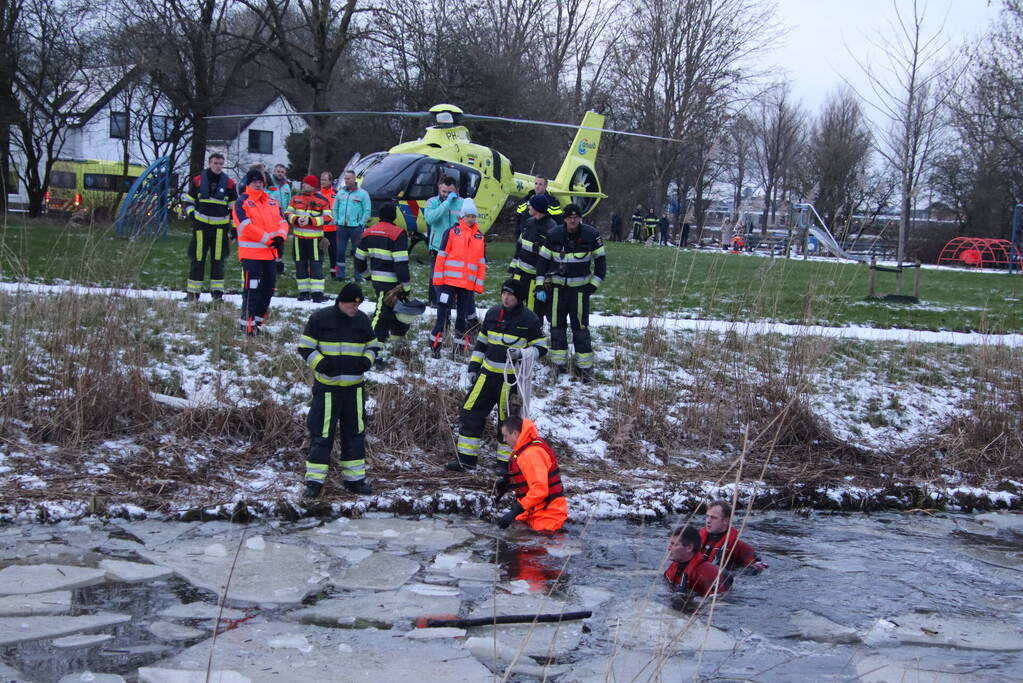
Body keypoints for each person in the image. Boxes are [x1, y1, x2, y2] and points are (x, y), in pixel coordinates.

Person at [448, 278, 546, 472]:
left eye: (510, 294)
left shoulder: (530, 319)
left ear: (519, 298)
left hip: (510, 380)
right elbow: (481, 344)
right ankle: (466, 459)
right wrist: (473, 368)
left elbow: (541, 347)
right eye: (503, 293)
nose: (506, 297)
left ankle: (505, 464)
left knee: (508, 420)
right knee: (470, 411)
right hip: (486, 376)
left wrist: (523, 354)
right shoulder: (492, 314)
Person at [297, 282, 382, 499]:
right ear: (341, 302)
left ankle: (354, 480)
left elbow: (373, 346)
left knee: (355, 433)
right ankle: (314, 482)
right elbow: (305, 347)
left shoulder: (362, 320)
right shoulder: (320, 318)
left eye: (358, 305)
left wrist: (366, 361)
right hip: (327, 389)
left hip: (354, 390)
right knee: (322, 434)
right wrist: (321, 364)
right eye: (352, 305)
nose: (355, 309)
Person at [536, 203, 607, 382]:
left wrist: (593, 286)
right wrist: (539, 286)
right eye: (569, 217)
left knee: (580, 329)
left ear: (580, 218)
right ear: (565, 219)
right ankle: (558, 364)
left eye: (576, 217)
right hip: (558, 290)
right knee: (556, 326)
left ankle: (584, 368)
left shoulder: (591, 235)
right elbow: (542, 262)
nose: (572, 220)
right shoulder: (553, 235)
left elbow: (601, 263)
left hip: (580, 292)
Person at [232, 168, 289, 334]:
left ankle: (257, 323)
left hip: (270, 254)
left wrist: (280, 237)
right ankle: (247, 325)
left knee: (268, 289)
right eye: (255, 181)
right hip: (251, 256)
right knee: (252, 290)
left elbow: (282, 221)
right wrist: (268, 239)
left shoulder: (271, 201)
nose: (258, 184)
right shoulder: (242, 201)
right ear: (248, 182)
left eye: (261, 181)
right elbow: (244, 226)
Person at [354, 203, 412, 366]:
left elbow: (359, 259)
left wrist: (367, 276)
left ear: (379, 216)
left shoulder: (368, 232)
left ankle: (397, 346)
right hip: (393, 283)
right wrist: (406, 287)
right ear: (394, 216)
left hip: (378, 281)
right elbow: (401, 264)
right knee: (381, 317)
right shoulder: (398, 233)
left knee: (392, 314)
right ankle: (373, 353)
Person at [430, 199, 485, 358]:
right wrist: (438, 280)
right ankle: (435, 345)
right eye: (467, 216)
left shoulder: (479, 237)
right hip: (448, 283)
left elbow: (481, 262)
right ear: (461, 216)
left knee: (462, 317)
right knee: (442, 314)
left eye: (473, 216)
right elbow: (441, 256)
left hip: (466, 286)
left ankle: (459, 349)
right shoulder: (451, 232)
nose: (470, 219)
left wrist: (478, 285)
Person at [494, 415, 567, 532]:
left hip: (548, 515)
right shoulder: (524, 450)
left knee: (533, 547)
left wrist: (516, 510)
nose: (504, 440)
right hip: (533, 511)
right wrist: (508, 482)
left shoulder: (532, 454)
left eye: (505, 435)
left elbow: (540, 490)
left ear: (516, 434)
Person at [181, 152, 237, 302]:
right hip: (201, 228)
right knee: (197, 259)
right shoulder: (198, 181)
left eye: (220, 163)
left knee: (218, 261)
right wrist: (193, 216)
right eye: (215, 163)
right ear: (209, 163)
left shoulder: (230, 184)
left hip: (220, 229)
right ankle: (192, 294)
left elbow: (233, 209)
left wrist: (234, 229)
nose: (218, 166)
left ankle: (217, 295)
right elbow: (189, 202)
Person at [285, 174, 333, 302]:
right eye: (303, 183)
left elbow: (328, 218)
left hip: (315, 240)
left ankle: (317, 294)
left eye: (306, 183)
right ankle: (303, 292)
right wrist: (295, 219)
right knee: (300, 265)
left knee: (316, 265)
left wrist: (310, 221)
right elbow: (287, 213)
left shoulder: (322, 200)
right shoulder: (295, 198)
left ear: (313, 185)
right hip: (298, 239)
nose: (303, 185)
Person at [509, 194, 557, 315]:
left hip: (535, 278)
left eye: (530, 206)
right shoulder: (529, 222)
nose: (528, 207)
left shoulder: (551, 228)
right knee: (514, 307)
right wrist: (513, 267)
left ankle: (533, 334)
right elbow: (519, 245)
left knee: (533, 313)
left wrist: (547, 278)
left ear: (537, 208)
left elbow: (552, 257)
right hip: (519, 274)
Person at [423, 175, 462, 306]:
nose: (445, 194)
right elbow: (430, 219)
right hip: (437, 246)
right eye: (443, 191)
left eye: (449, 192)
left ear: (457, 190)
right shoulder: (432, 202)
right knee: (436, 276)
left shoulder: (462, 203)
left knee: (454, 277)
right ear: (439, 188)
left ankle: (452, 301)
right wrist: (447, 203)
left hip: (456, 248)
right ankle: (434, 302)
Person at [664, 526, 733, 598]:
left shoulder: (707, 573)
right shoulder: (674, 566)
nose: (668, 548)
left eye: (674, 544)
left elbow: (717, 604)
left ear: (689, 548)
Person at [700, 500, 766, 573]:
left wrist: (735, 573)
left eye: (713, 517)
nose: (708, 521)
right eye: (707, 516)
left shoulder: (739, 547)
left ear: (726, 521)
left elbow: (760, 566)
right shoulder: (695, 540)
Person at [332, 169, 372, 282]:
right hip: (342, 227)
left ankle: (358, 276)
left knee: (357, 253)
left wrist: (361, 224)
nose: (346, 181)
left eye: (348, 179)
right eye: (345, 179)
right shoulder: (341, 192)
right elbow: (335, 208)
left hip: (356, 228)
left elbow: (367, 210)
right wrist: (337, 221)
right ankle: (340, 275)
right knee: (340, 251)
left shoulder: (363, 194)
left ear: (354, 179)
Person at [514, 175, 563, 239]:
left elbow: (559, 223)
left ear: (545, 186)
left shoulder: (552, 203)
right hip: (524, 240)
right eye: (536, 184)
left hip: (542, 241)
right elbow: (518, 222)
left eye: (540, 184)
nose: (537, 186)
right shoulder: (525, 200)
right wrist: (518, 239)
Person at [319, 171, 339, 278]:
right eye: (321, 180)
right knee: (319, 250)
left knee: (333, 252)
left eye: (325, 180)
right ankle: (317, 270)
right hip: (320, 228)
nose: (322, 182)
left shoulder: (336, 194)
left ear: (330, 181)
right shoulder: (317, 194)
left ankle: (333, 272)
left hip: (333, 228)